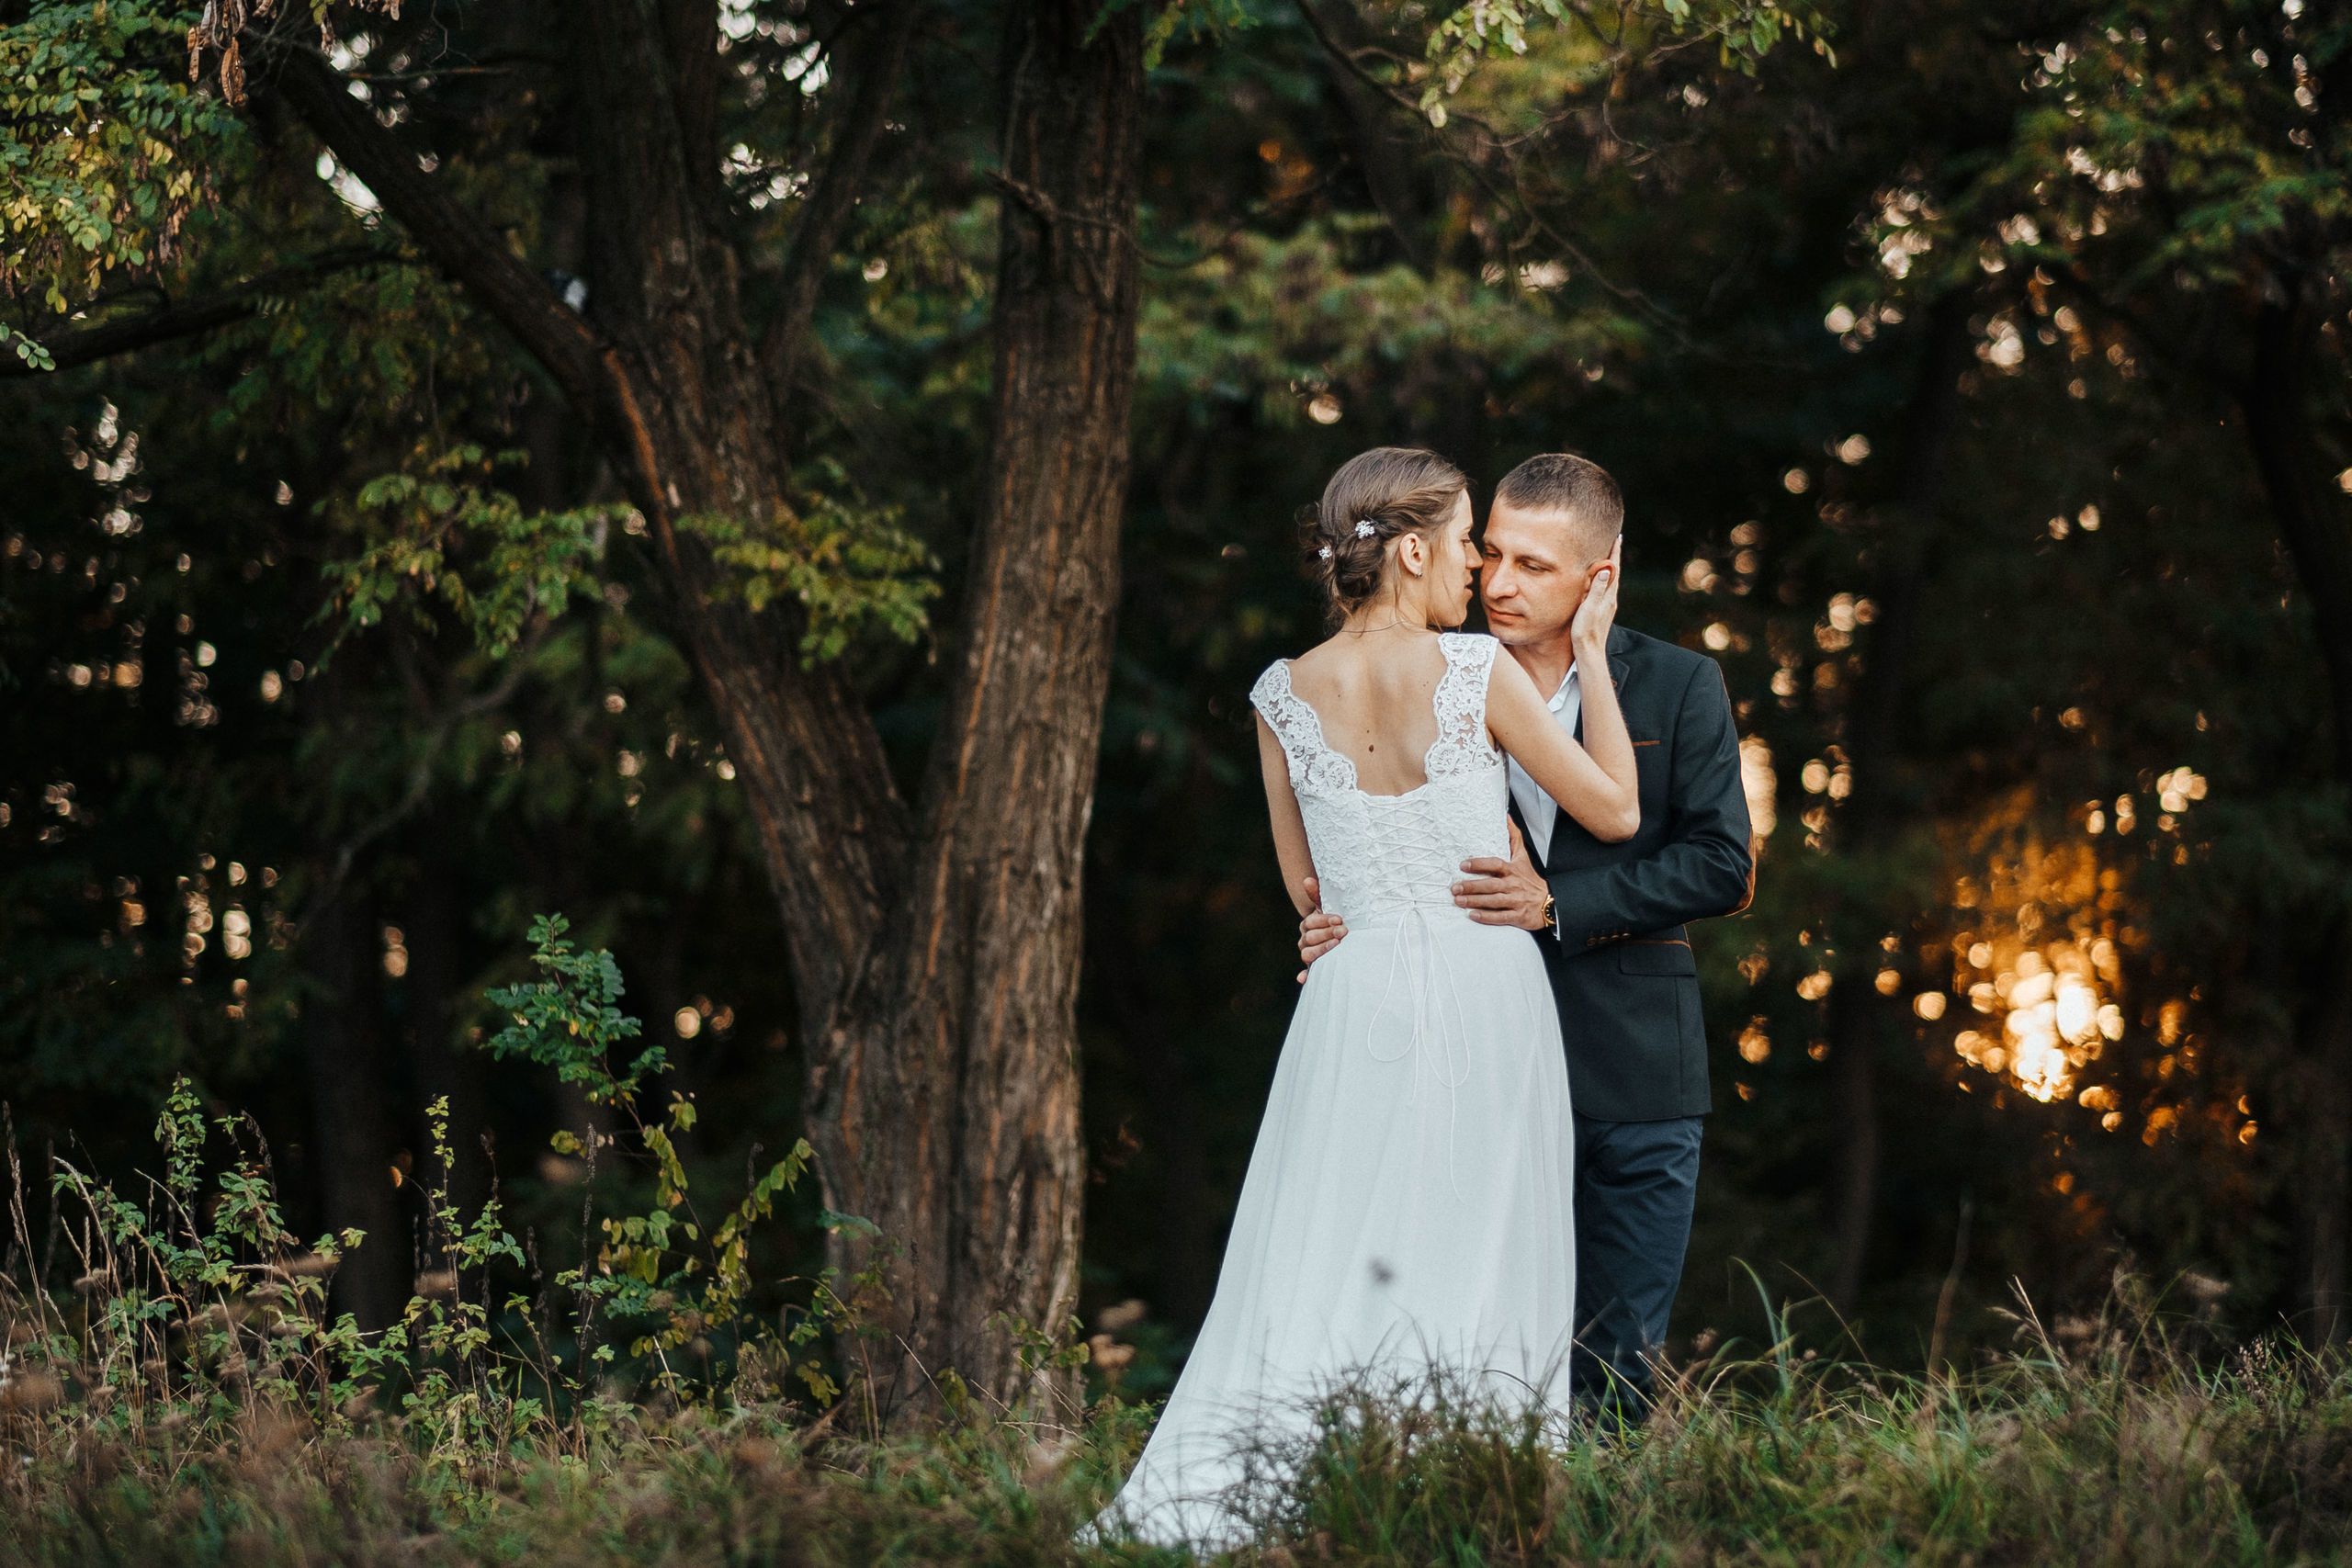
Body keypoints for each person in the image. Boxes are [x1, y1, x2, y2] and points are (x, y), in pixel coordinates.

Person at [1095, 447, 1640, 1548]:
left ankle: (1280, 1500)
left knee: (1326, 1242)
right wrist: (1589, 648)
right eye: (1464, 541)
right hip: (1485, 987)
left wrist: (1330, 922)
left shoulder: (1277, 697)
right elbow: (1616, 812)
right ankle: (1465, 1509)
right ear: (1407, 550)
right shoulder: (1473, 670)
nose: (1475, 565)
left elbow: (1305, 890)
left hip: (1350, 999)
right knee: (1479, 1242)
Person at [1297, 452, 1754, 1422]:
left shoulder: (1677, 685)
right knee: (1476, 1351)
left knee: (1617, 1361)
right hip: (1468, 1065)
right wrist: (1329, 925)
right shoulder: (1435, 675)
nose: (1498, 584)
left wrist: (1558, 907)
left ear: (1599, 575)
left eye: (1534, 567)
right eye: (1490, 553)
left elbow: (1722, 865)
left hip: (1635, 1070)